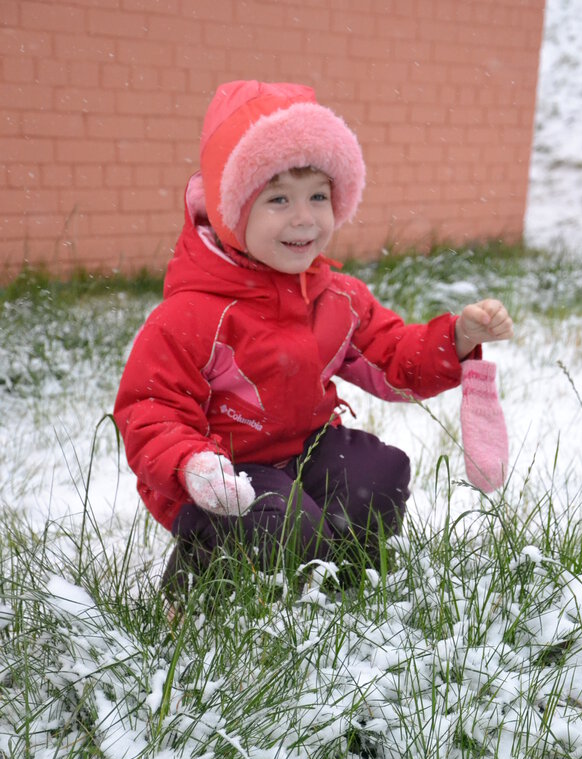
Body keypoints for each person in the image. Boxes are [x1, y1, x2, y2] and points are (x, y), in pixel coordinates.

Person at [113, 80, 512, 599]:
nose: (304, 217)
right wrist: (192, 464)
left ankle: (343, 582)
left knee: (378, 474)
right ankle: (201, 584)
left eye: (318, 196)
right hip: (223, 474)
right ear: (232, 211)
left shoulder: (336, 298)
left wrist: (456, 337)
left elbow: (393, 358)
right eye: (278, 198)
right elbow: (151, 409)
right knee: (283, 523)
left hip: (304, 449)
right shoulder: (193, 313)